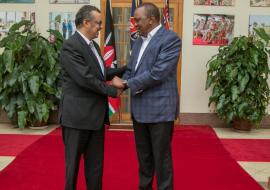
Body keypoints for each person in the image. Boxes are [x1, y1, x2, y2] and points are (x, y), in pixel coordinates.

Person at [113, 3, 181, 190]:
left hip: (160, 110)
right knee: (144, 159)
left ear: (151, 19)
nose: (134, 24)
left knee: (161, 159)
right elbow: (131, 69)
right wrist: (119, 86)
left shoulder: (170, 39)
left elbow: (158, 72)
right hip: (140, 110)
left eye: (138, 19)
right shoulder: (139, 40)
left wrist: (126, 84)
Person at [59, 5, 125, 190]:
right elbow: (85, 79)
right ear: (86, 22)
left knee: (95, 167)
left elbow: (100, 73)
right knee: (72, 168)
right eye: (98, 23)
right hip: (76, 118)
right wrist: (113, 91)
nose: (101, 27)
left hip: (95, 118)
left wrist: (126, 71)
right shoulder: (70, 46)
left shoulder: (94, 45)